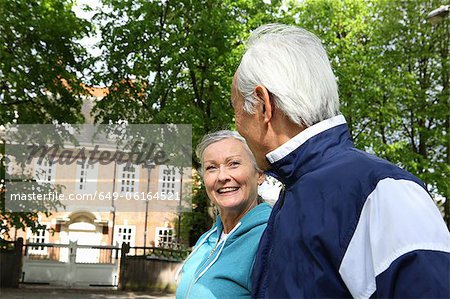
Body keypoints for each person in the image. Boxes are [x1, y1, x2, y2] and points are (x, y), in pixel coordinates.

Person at [231, 23, 450, 298]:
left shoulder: (383, 192)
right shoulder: (295, 194)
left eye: (236, 108)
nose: (237, 124)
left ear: (263, 105)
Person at [175, 130, 271, 298]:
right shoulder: (206, 240)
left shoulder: (270, 239)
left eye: (233, 163)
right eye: (211, 168)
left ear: (260, 174)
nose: (222, 176)